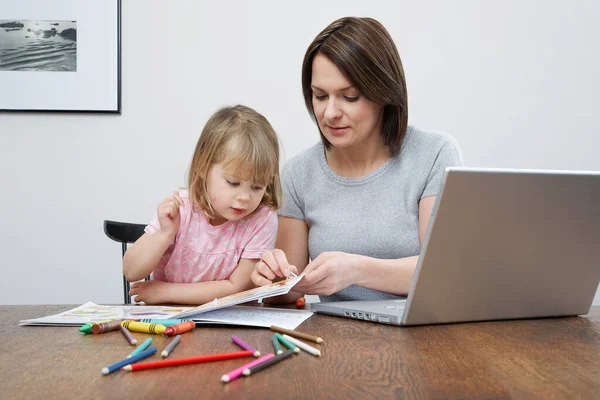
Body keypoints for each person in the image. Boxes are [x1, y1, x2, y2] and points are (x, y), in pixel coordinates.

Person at [251, 17, 463, 303]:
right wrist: (272, 281)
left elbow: (442, 271)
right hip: (337, 340)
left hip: (422, 337)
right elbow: (289, 292)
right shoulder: (298, 175)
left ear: (383, 93)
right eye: (320, 96)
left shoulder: (434, 154)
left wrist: (356, 270)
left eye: (349, 96)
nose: (330, 113)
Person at [123, 105, 281, 305]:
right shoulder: (181, 208)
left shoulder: (262, 219)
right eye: (233, 183)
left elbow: (236, 287)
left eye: (257, 187)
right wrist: (164, 234)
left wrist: (164, 292)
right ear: (203, 167)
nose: (244, 197)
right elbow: (130, 271)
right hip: (171, 322)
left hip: (230, 325)